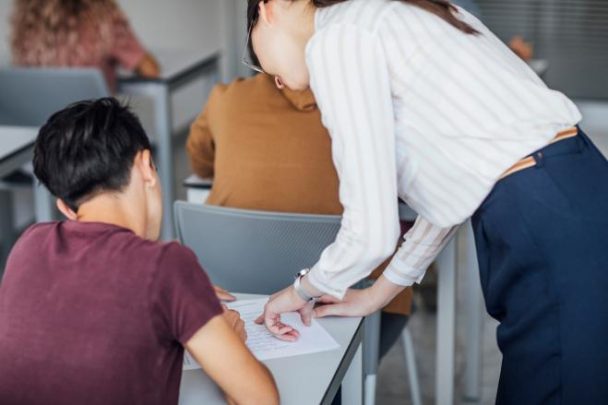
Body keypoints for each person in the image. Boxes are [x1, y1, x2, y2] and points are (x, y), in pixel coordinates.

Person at [246, 0, 608, 403]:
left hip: (542, 215)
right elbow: (455, 186)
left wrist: (299, 291)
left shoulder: (336, 39)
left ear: (269, 8)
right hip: (572, 189)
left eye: (257, 60)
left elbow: (370, 233)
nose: (274, 80)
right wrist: (379, 292)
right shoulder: (396, 14)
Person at [0, 98, 279, 405]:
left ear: (66, 207)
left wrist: (186, 300)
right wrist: (231, 335)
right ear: (146, 167)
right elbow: (261, 400)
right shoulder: (166, 266)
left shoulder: (27, 245)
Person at [187, 72, 413, 358]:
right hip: (344, 297)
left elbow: (201, 163)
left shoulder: (225, 98)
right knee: (402, 288)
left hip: (236, 295)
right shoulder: (369, 106)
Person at [10, 0, 160, 91]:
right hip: (92, 132)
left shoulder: (28, 23)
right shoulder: (103, 18)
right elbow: (150, 69)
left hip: (42, 134)